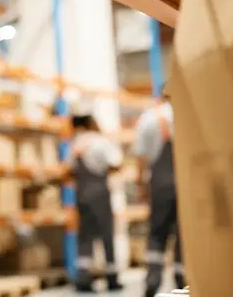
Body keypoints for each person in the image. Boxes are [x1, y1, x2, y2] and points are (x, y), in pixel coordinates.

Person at [133, 90, 184, 297]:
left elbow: (140, 157)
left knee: (157, 232)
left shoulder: (149, 118)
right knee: (183, 233)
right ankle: (183, 281)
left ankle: (153, 280)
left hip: (160, 184)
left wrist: (141, 187)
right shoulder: (185, 114)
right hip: (184, 182)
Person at [70, 113, 124, 293]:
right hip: (99, 193)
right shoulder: (100, 142)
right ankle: (112, 278)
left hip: (81, 194)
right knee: (106, 235)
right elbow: (116, 163)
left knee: (85, 236)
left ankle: (83, 278)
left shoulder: (76, 144)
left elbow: (67, 171)